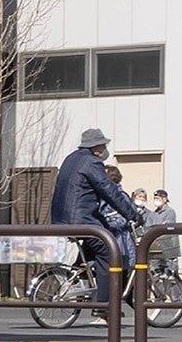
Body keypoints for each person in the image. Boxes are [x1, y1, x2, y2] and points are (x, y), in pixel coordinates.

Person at [49, 128, 130, 319]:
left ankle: (81, 277)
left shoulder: (71, 159)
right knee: (108, 252)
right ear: (97, 148)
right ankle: (103, 305)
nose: (104, 150)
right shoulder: (92, 162)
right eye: (103, 146)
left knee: (94, 244)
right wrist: (132, 213)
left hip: (62, 219)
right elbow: (109, 191)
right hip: (80, 220)